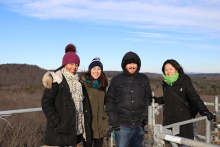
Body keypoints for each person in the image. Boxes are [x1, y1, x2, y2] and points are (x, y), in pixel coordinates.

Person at [41, 44, 92, 146]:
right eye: (71, 64)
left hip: (74, 133)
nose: (74, 67)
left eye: (77, 64)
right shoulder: (56, 80)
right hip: (58, 135)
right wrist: (58, 123)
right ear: (65, 64)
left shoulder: (78, 83)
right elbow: (46, 103)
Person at [154, 59, 213, 140]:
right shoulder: (165, 83)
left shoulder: (184, 81)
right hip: (168, 122)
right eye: (166, 70)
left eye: (171, 69)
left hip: (182, 122)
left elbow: (194, 97)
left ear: (176, 69)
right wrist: (156, 100)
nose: (168, 72)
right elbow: (168, 98)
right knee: (170, 143)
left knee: (184, 143)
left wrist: (204, 111)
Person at [105, 51, 152, 147]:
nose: (132, 66)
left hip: (139, 125)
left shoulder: (144, 79)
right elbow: (110, 101)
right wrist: (113, 120)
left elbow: (148, 98)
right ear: (124, 65)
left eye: (134, 63)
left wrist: (145, 115)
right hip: (122, 125)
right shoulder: (116, 80)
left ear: (138, 65)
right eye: (129, 63)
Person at [81, 57, 109, 147]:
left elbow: (107, 101)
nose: (96, 71)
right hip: (88, 124)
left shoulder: (103, 85)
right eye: (94, 69)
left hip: (100, 124)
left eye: (99, 69)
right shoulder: (83, 84)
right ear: (90, 70)